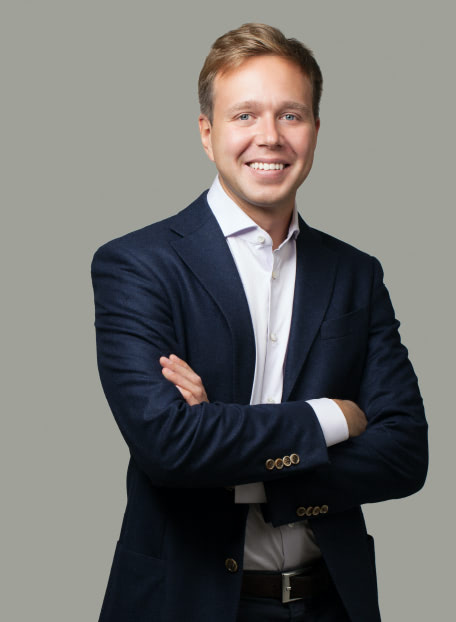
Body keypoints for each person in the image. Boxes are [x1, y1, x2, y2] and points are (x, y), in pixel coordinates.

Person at [92, 23, 428, 622]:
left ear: (316, 129)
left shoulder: (356, 274)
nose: (269, 137)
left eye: (290, 115)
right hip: (185, 604)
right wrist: (335, 417)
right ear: (207, 132)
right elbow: (167, 447)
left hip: (332, 603)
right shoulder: (137, 265)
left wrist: (224, 445)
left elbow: (405, 454)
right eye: (244, 115)